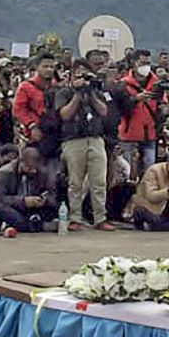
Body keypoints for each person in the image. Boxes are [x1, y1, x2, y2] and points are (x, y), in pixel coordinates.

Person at [56, 63, 113, 231]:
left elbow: (104, 112)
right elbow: (64, 115)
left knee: (99, 181)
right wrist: (77, 95)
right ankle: (75, 218)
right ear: (72, 76)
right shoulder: (64, 93)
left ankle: (100, 218)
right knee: (75, 182)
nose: (83, 79)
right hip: (73, 140)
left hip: (95, 138)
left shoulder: (96, 91)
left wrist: (91, 93)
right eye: (79, 75)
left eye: (86, 75)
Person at [0, 146, 56, 234]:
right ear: (21, 162)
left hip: (33, 209)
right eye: (29, 168)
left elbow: (52, 194)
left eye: (34, 168)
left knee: (55, 208)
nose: (33, 171)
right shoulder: (5, 172)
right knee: (0, 209)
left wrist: (44, 199)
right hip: (14, 207)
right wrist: (23, 201)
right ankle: (38, 226)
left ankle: (28, 225)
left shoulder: (41, 172)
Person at [118, 50, 162, 175]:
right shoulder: (124, 84)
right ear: (134, 63)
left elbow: (161, 105)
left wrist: (163, 108)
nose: (146, 67)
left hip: (150, 133)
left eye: (148, 63)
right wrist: (135, 99)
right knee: (128, 171)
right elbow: (120, 107)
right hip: (129, 134)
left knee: (150, 169)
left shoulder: (157, 83)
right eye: (142, 63)